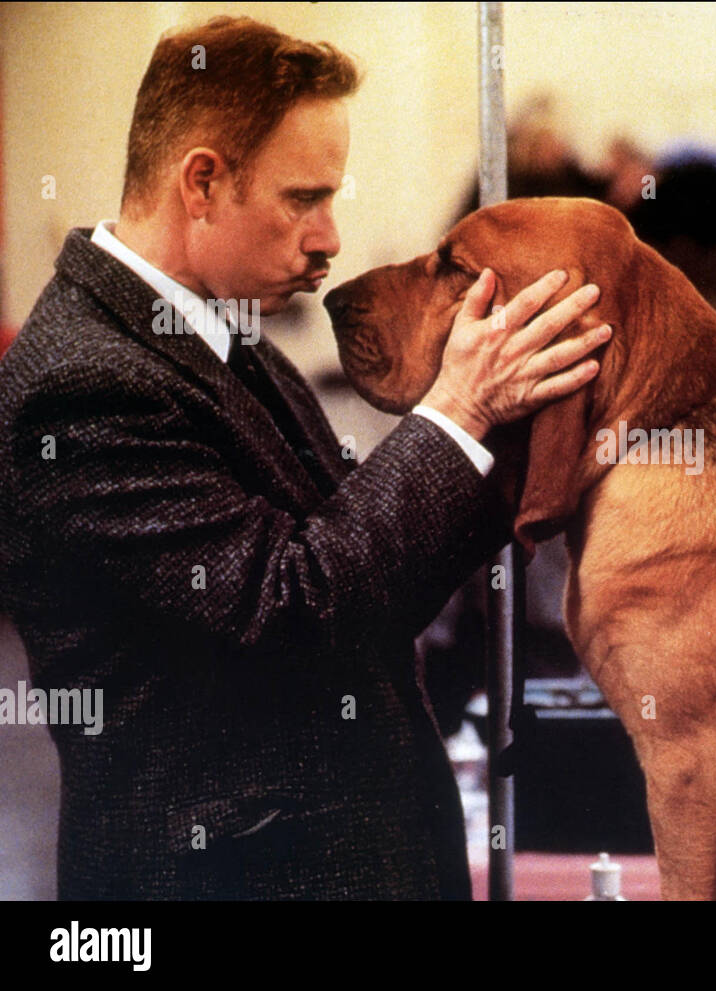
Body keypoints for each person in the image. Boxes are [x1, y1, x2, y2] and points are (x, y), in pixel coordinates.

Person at [0, 16, 608, 900]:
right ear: (201, 181)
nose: (329, 237)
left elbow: (360, 551)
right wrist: (460, 407)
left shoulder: (209, 333)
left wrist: (513, 429)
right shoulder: (84, 383)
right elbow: (295, 604)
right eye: (303, 199)